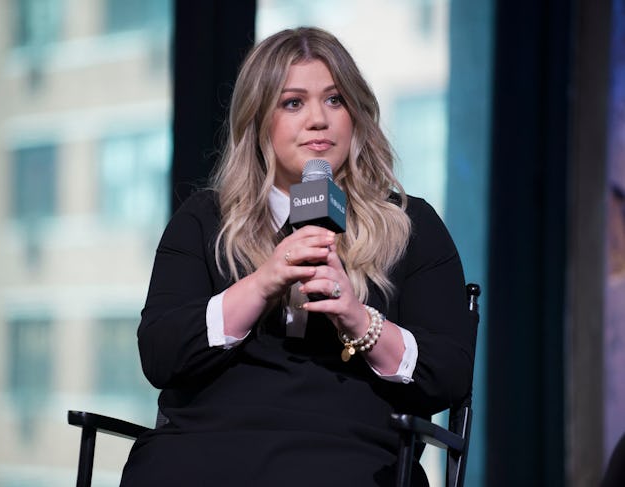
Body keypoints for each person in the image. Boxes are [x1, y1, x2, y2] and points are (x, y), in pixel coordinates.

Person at [120, 27, 474, 487]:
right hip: (204, 450)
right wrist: (263, 282)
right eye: (293, 103)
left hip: (352, 455)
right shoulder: (205, 219)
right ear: (258, 119)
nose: (318, 121)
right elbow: (160, 355)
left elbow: (448, 374)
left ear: (356, 114)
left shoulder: (410, 225)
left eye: (334, 100)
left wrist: (360, 320)